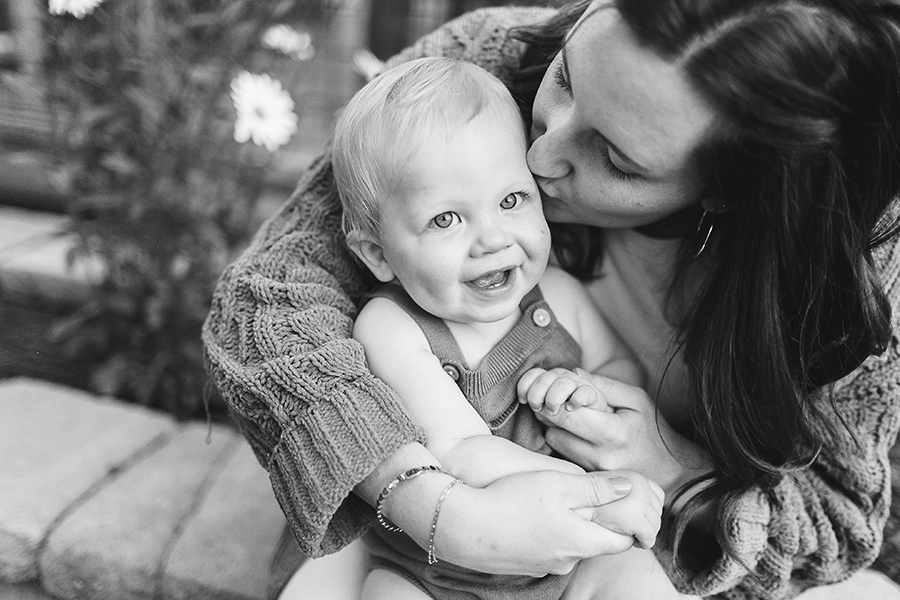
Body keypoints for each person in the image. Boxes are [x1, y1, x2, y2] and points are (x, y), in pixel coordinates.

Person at [202, 0, 900, 598]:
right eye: (564, 77)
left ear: (730, 190)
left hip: (606, 543)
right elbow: (270, 301)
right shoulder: (469, 73)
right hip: (409, 548)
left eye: (616, 159)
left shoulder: (843, 267)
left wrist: (669, 469)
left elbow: (835, 518)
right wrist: (442, 511)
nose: (537, 158)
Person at [331, 56, 661, 600]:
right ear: (378, 254)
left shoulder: (558, 294)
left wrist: (587, 394)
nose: (492, 239)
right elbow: (458, 451)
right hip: (438, 572)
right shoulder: (392, 326)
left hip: (573, 559)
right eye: (446, 219)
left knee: (638, 580)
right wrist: (596, 492)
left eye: (511, 200)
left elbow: (620, 369)